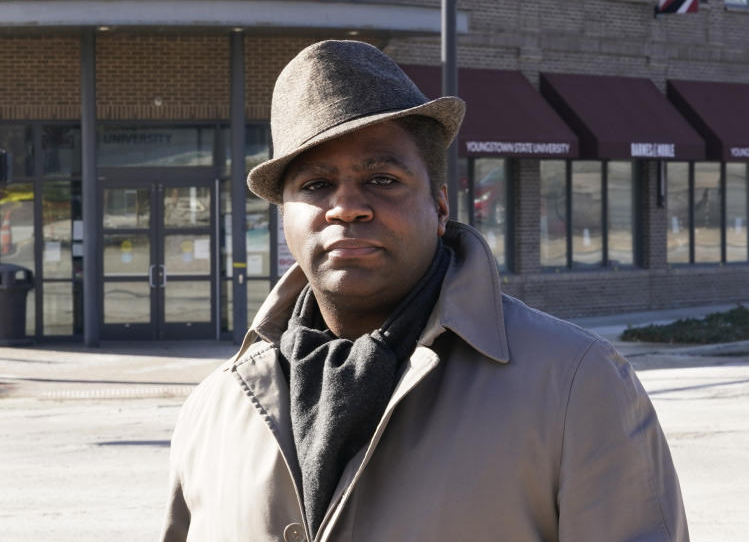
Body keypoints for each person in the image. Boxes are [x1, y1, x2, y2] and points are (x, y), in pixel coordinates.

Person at [160, 40, 688, 542]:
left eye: (383, 179)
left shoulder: (576, 382)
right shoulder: (217, 406)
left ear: (439, 208)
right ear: (284, 219)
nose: (346, 206)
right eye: (316, 185)